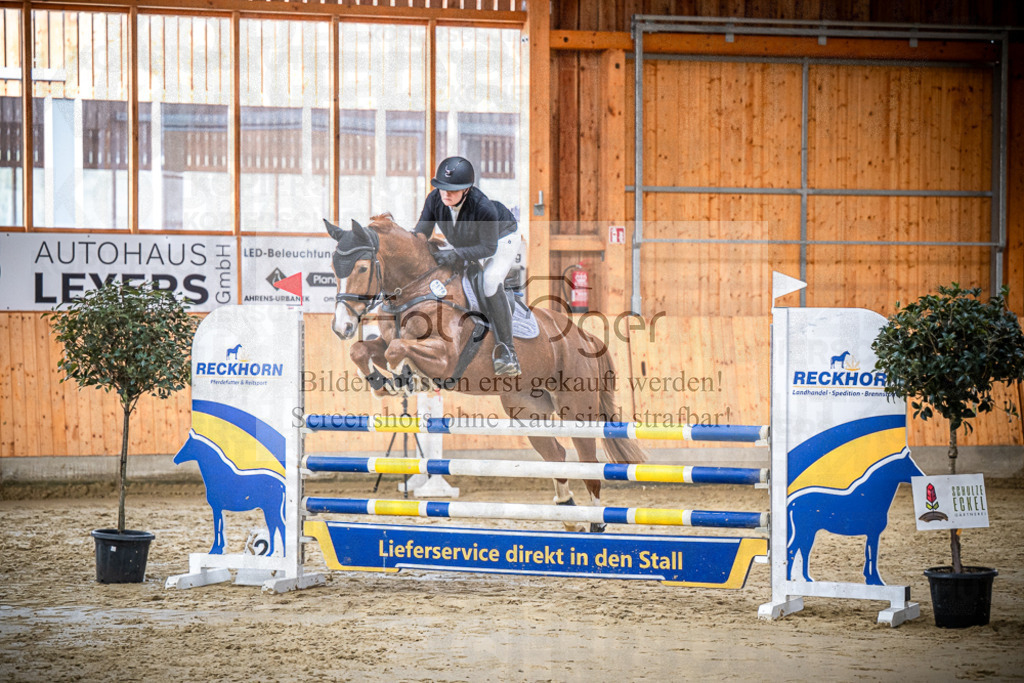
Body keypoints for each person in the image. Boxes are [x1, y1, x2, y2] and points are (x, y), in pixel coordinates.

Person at [414, 156, 521, 377]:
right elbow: (421, 234)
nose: (445, 193)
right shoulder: (434, 199)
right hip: (470, 243)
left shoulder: (483, 208)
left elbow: (488, 248)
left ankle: (507, 351)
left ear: (467, 190)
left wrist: (456, 254)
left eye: (453, 189)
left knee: (490, 281)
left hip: (502, 239)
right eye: (442, 187)